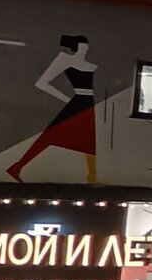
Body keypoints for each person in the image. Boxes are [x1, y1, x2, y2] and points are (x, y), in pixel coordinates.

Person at [8, 35, 99, 183]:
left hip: (88, 103)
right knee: (50, 135)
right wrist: (65, 99)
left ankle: (92, 176)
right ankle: (17, 167)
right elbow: (42, 83)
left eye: (86, 45)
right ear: (76, 46)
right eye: (82, 44)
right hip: (78, 102)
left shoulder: (88, 64)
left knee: (89, 139)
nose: (85, 48)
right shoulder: (65, 59)